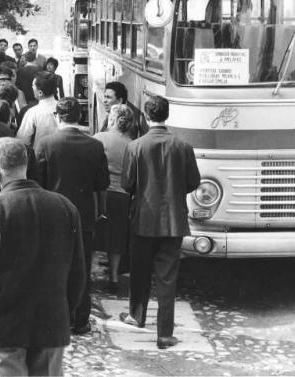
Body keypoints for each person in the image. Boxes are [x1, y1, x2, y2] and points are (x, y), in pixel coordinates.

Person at [0, 138, 86, 377]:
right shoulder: (65, 207)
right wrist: (66, 309)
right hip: (50, 321)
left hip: (1, 325)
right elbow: (78, 272)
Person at [119, 95, 200, 350]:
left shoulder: (135, 146)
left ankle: (136, 315)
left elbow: (127, 184)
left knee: (140, 271)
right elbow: (193, 182)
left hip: (143, 219)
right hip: (173, 221)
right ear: (167, 115)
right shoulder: (183, 146)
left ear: (145, 116)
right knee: (167, 278)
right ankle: (164, 333)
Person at [35, 97, 110, 335]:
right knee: (82, 268)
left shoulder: (46, 144)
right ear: (80, 118)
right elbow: (102, 184)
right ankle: (80, 319)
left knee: (52, 267)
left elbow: (37, 182)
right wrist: (101, 211)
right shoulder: (95, 146)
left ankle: (56, 319)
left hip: (51, 215)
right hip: (84, 215)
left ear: (57, 117)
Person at [93, 105, 134, 293]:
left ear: (112, 119)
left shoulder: (98, 139)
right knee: (116, 238)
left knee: (94, 235)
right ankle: (114, 277)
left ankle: (88, 275)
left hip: (99, 192)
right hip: (122, 195)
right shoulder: (131, 144)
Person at [16, 73, 58, 148]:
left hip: (40, 156)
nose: (32, 87)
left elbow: (22, 140)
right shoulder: (64, 108)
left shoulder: (33, 112)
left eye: (33, 86)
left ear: (40, 93)